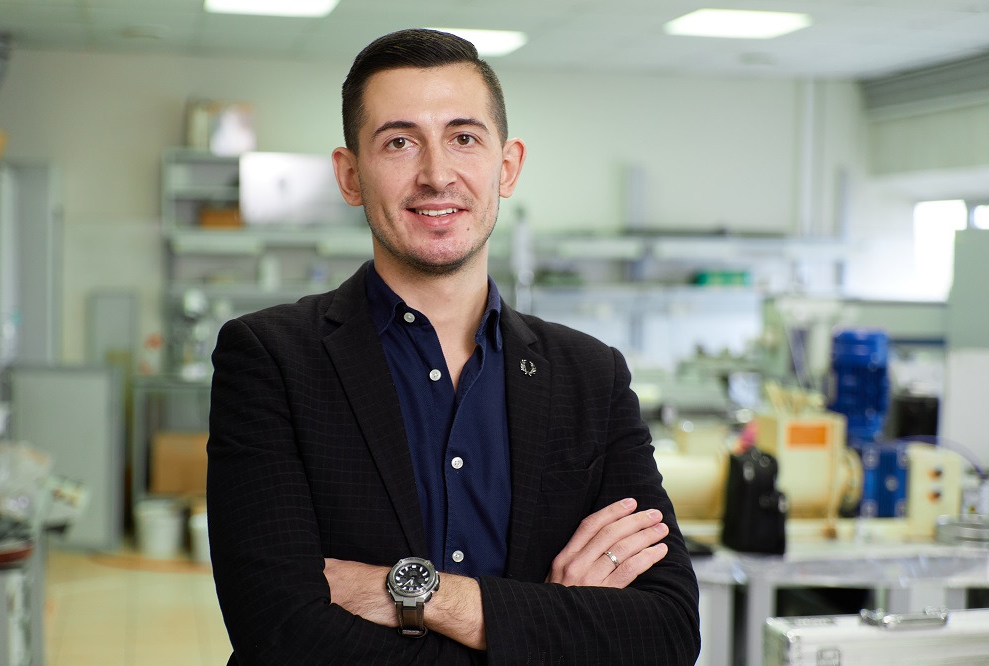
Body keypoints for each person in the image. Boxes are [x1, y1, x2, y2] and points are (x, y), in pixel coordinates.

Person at [207, 28, 700, 665]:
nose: (436, 175)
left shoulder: (590, 376)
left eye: (464, 138)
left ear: (507, 166)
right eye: (399, 142)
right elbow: (279, 633)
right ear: (350, 176)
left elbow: (667, 631)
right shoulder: (270, 358)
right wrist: (542, 625)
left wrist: (428, 597)